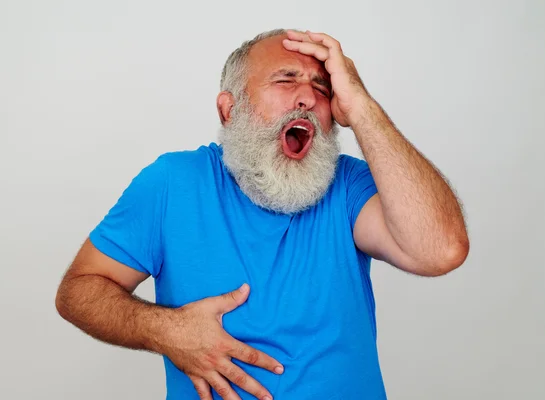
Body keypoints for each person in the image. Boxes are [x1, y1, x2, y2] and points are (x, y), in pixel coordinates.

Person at [55, 28, 469, 400]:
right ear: (229, 110)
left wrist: (361, 108)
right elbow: (79, 290)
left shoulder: (348, 186)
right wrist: (167, 330)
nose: (307, 96)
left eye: (323, 88)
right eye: (286, 79)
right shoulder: (172, 183)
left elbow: (440, 250)